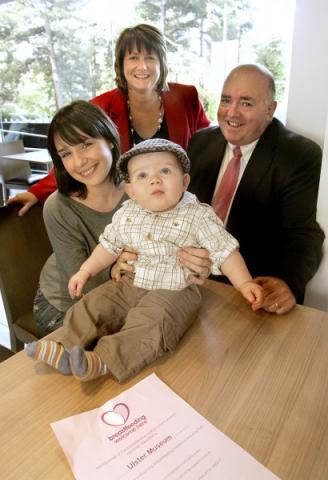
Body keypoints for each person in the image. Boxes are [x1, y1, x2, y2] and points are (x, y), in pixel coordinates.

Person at [26, 139, 263, 383]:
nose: (154, 179)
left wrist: (244, 284)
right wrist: (86, 270)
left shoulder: (198, 215)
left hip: (175, 290)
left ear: (184, 181)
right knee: (93, 304)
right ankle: (64, 345)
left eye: (165, 171)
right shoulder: (128, 212)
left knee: (152, 322)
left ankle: (102, 361)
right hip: (131, 281)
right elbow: (108, 246)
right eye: (142, 175)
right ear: (130, 191)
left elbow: (225, 251)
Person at [7, 23, 210, 216]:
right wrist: (37, 192)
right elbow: (77, 156)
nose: (142, 66)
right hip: (124, 209)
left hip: (180, 205)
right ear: (121, 64)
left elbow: (208, 146)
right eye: (133, 58)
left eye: (150, 58)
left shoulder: (186, 96)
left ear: (162, 63)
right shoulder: (101, 106)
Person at [186, 63, 325, 314]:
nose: (232, 112)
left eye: (246, 103)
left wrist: (288, 283)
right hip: (191, 280)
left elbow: (303, 234)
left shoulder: (299, 155)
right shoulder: (200, 142)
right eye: (226, 100)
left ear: (270, 109)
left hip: (248, 292)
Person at [33, 100, 126, 335]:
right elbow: (83, 285)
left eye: (85, 144)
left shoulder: (141, 186)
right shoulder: (58, 207)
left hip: (126, 292)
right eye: (66, 153)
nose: (78, 162)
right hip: (65, 303)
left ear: (110, 141)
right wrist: (119, 267)